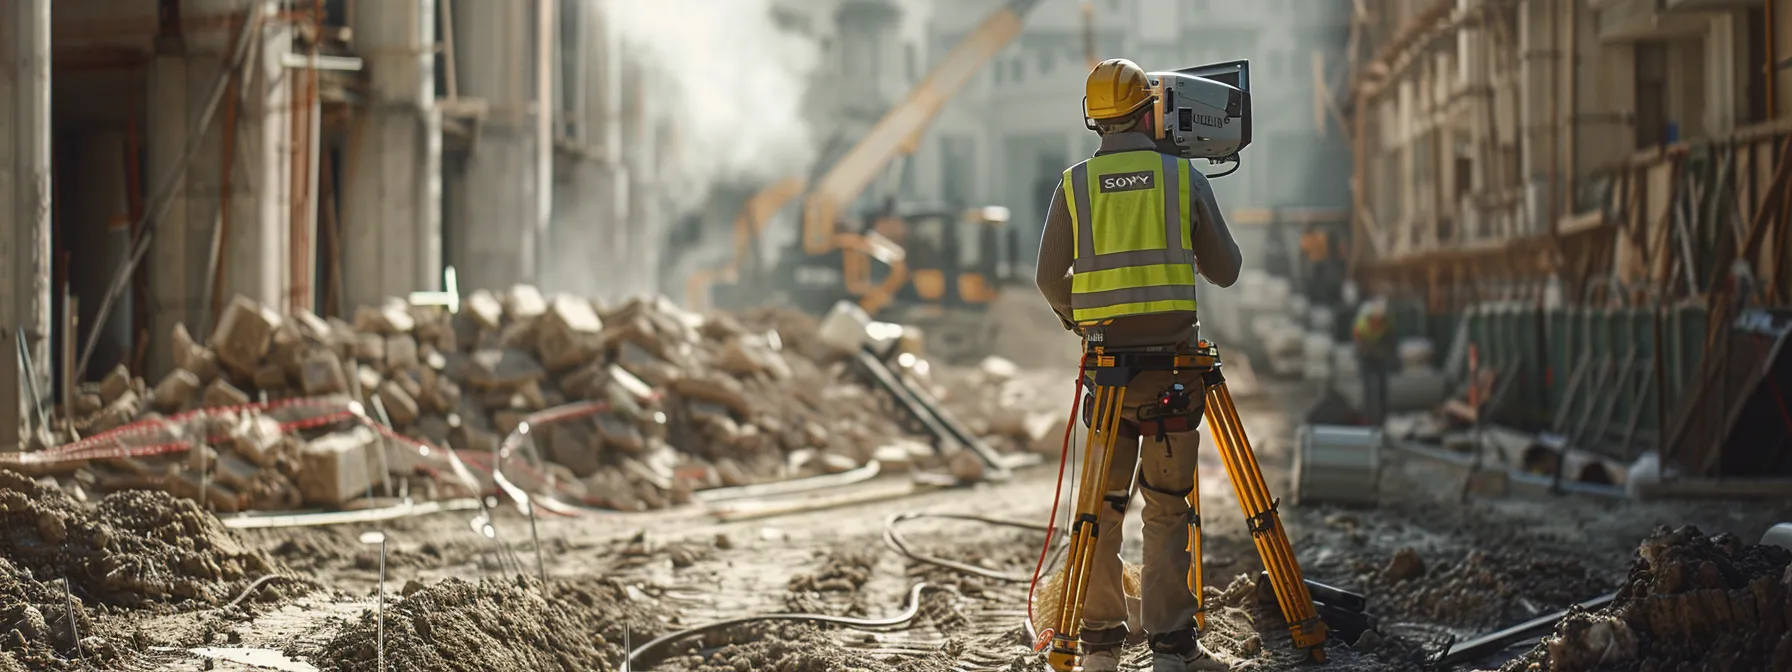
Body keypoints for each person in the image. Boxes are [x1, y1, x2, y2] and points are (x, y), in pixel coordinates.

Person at [1034, 58, 1242, 672]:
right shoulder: (1181, 179)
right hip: (1173, 372)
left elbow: (1049, 279)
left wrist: (1083, 318)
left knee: (1098, 510)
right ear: (1150, 108)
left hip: (1107, 375)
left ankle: (1100, 648)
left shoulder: (1074, 185)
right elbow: (1226, 270)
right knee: (1168, 507)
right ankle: (1173, 650)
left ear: (1092, 116)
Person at [1352, 297, 1393, 424]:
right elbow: (1359, 344)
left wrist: (1384, 353)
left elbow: (1390, 341)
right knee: (1368, 387)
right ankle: (1368, 415)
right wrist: (1371, 352)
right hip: (1366, 356)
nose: (1377, 320)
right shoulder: (1362, 325)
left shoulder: (1386, 323)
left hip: (1379, 356)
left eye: (1379, 318)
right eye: (1376, 318)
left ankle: (1383, 416)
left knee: (1382, 386)